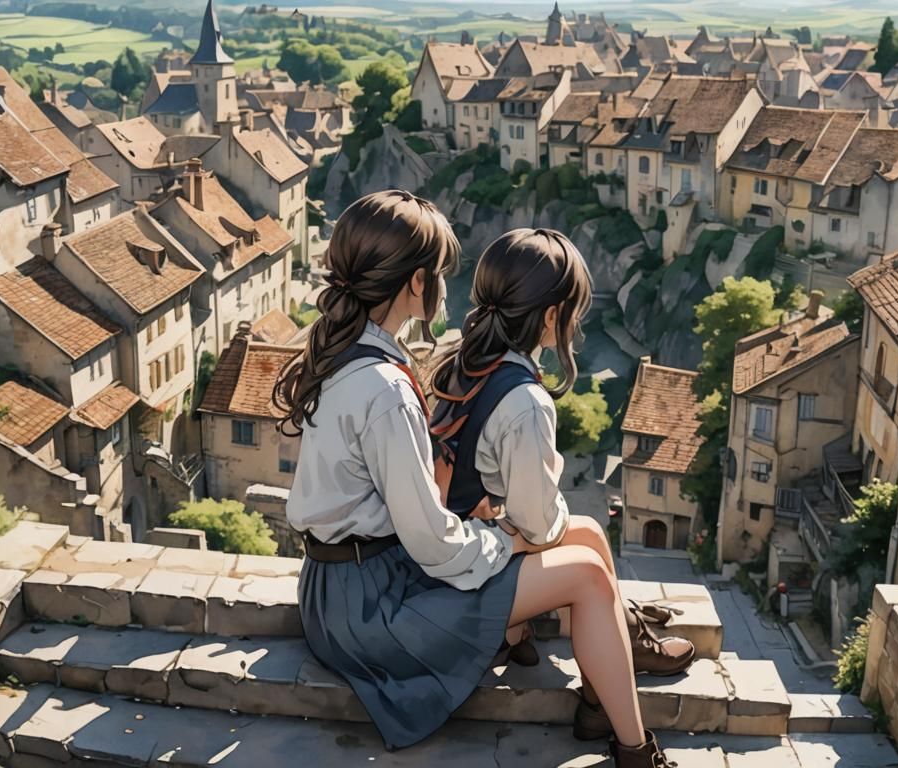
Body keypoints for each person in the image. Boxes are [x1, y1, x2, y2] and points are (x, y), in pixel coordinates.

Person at [276, 192, 673, 766]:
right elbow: (433, 544)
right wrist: (507, 536)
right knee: (585, 572)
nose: (443, 285)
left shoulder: (352, 353)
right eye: (438, 274)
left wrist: (497, 528)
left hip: (339, 589)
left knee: (584, 533)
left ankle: (604, 687)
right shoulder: (386, 390)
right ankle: (636, 750)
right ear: (417, 284)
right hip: (373, 612)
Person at [427, 229, 695, 721]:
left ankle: (618, 647)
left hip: (449, 553)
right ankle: (611, 676)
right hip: (461, 576)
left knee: (590, 531)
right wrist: (531, 509)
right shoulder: (526, 401)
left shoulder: (455, 362)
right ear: (551, 317)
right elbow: (539, 525)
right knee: (579, 549)